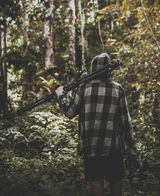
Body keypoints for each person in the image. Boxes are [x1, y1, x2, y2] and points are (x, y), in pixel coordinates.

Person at [55, 53, 140, 196]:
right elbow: (126, 123)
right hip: (114, 146)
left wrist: (60, 96)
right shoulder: (118, 89)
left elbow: (69, 112)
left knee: (96, 183)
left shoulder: (84, 88)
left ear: (92, 69)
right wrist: (132, 149)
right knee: (116, 181)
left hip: (92, 146)